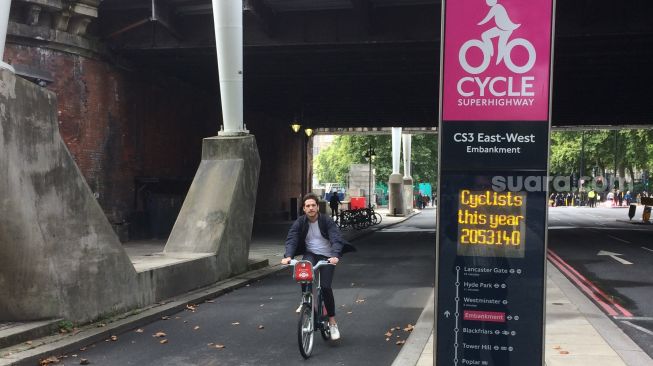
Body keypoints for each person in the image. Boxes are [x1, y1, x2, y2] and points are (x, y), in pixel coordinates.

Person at [281, 193, 356, 341]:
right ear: (304, 208)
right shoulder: (300, 222)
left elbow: (336, 238)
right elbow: (292, 239)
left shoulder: (326, 221)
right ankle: (305, 301)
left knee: (326, 287)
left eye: (313, 205)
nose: (310, 208)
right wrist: (288, 256)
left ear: (317, 207)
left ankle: (332, 322)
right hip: (311, 254)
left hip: (328, 256)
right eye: (307, 206)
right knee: (304, 273)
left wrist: (335, 255)